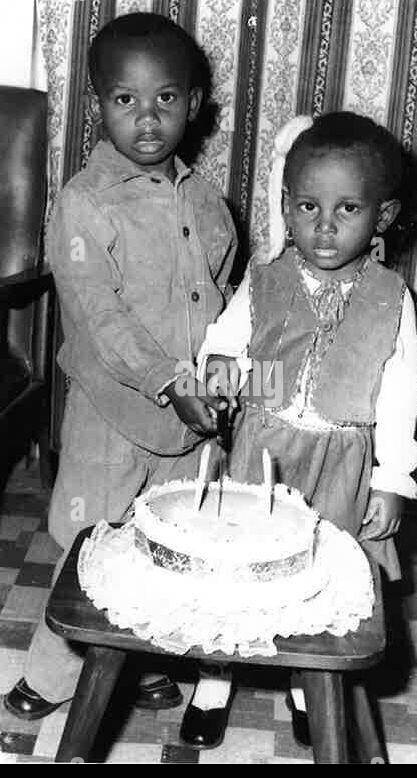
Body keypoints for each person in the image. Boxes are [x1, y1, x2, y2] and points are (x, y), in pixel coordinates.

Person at [4, 13, 236, 723]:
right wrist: (169, 378)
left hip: (192, 419)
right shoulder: (84, 202)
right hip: (114, 414)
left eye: (165, 99)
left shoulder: (204, 197)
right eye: (123, 101)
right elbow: (102, 321)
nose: (145, 119)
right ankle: (52, 674)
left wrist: (221, 367)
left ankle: (138, 665)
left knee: (168, 542)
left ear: (194, 105)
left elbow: (223, 292)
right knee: (92, 546)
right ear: (98, 104)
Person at [181, 111, 417, 749]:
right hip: (263, 450)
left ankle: (302, 675)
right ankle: (215, 674)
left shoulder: (392, 298)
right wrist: (221, 367)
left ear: (385, 216)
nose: (324, 225)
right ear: (287, 208)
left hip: (341, 460)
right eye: (309, 206)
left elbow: (402, 394)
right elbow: (224, 343)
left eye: (348, 208)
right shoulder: (266, 279)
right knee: (235, 565)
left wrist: (392, 477)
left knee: (316, 573)